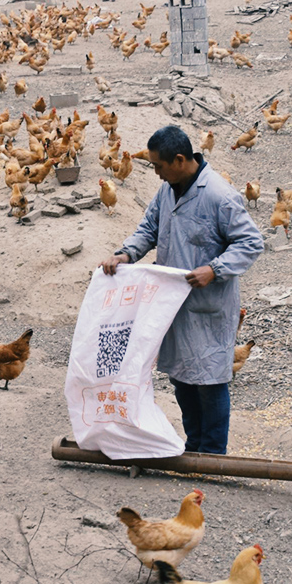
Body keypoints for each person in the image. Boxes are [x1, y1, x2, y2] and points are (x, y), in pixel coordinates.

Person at [100, 125, 263, 456]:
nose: (156, 174)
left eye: (159, 166)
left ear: (178, 160)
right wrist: (126, 253)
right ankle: (194, 448)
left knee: (209, 382)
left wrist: (214, 269)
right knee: (183, 379)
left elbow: (251, 242)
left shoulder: (218, 194)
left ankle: (213, 455)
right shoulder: (168, 190)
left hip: (208, 306)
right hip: (173, 304)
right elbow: (149, 227)